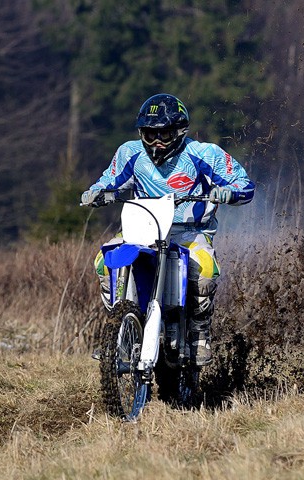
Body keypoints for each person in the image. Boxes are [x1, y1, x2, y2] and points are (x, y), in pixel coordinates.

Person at [81, 93, 254, 367]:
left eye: (165, 134)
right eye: (150, 135)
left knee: (205, 268)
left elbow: (243, 184)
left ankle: (199, 334)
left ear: (180, 131)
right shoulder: (130, 152)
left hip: (190, 231)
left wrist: (228, 193)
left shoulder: (204, 154)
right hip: (143, 228)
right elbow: (108, 180)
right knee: (105, 261)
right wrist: (96, 193)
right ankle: (117, 327)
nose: (158, 142)